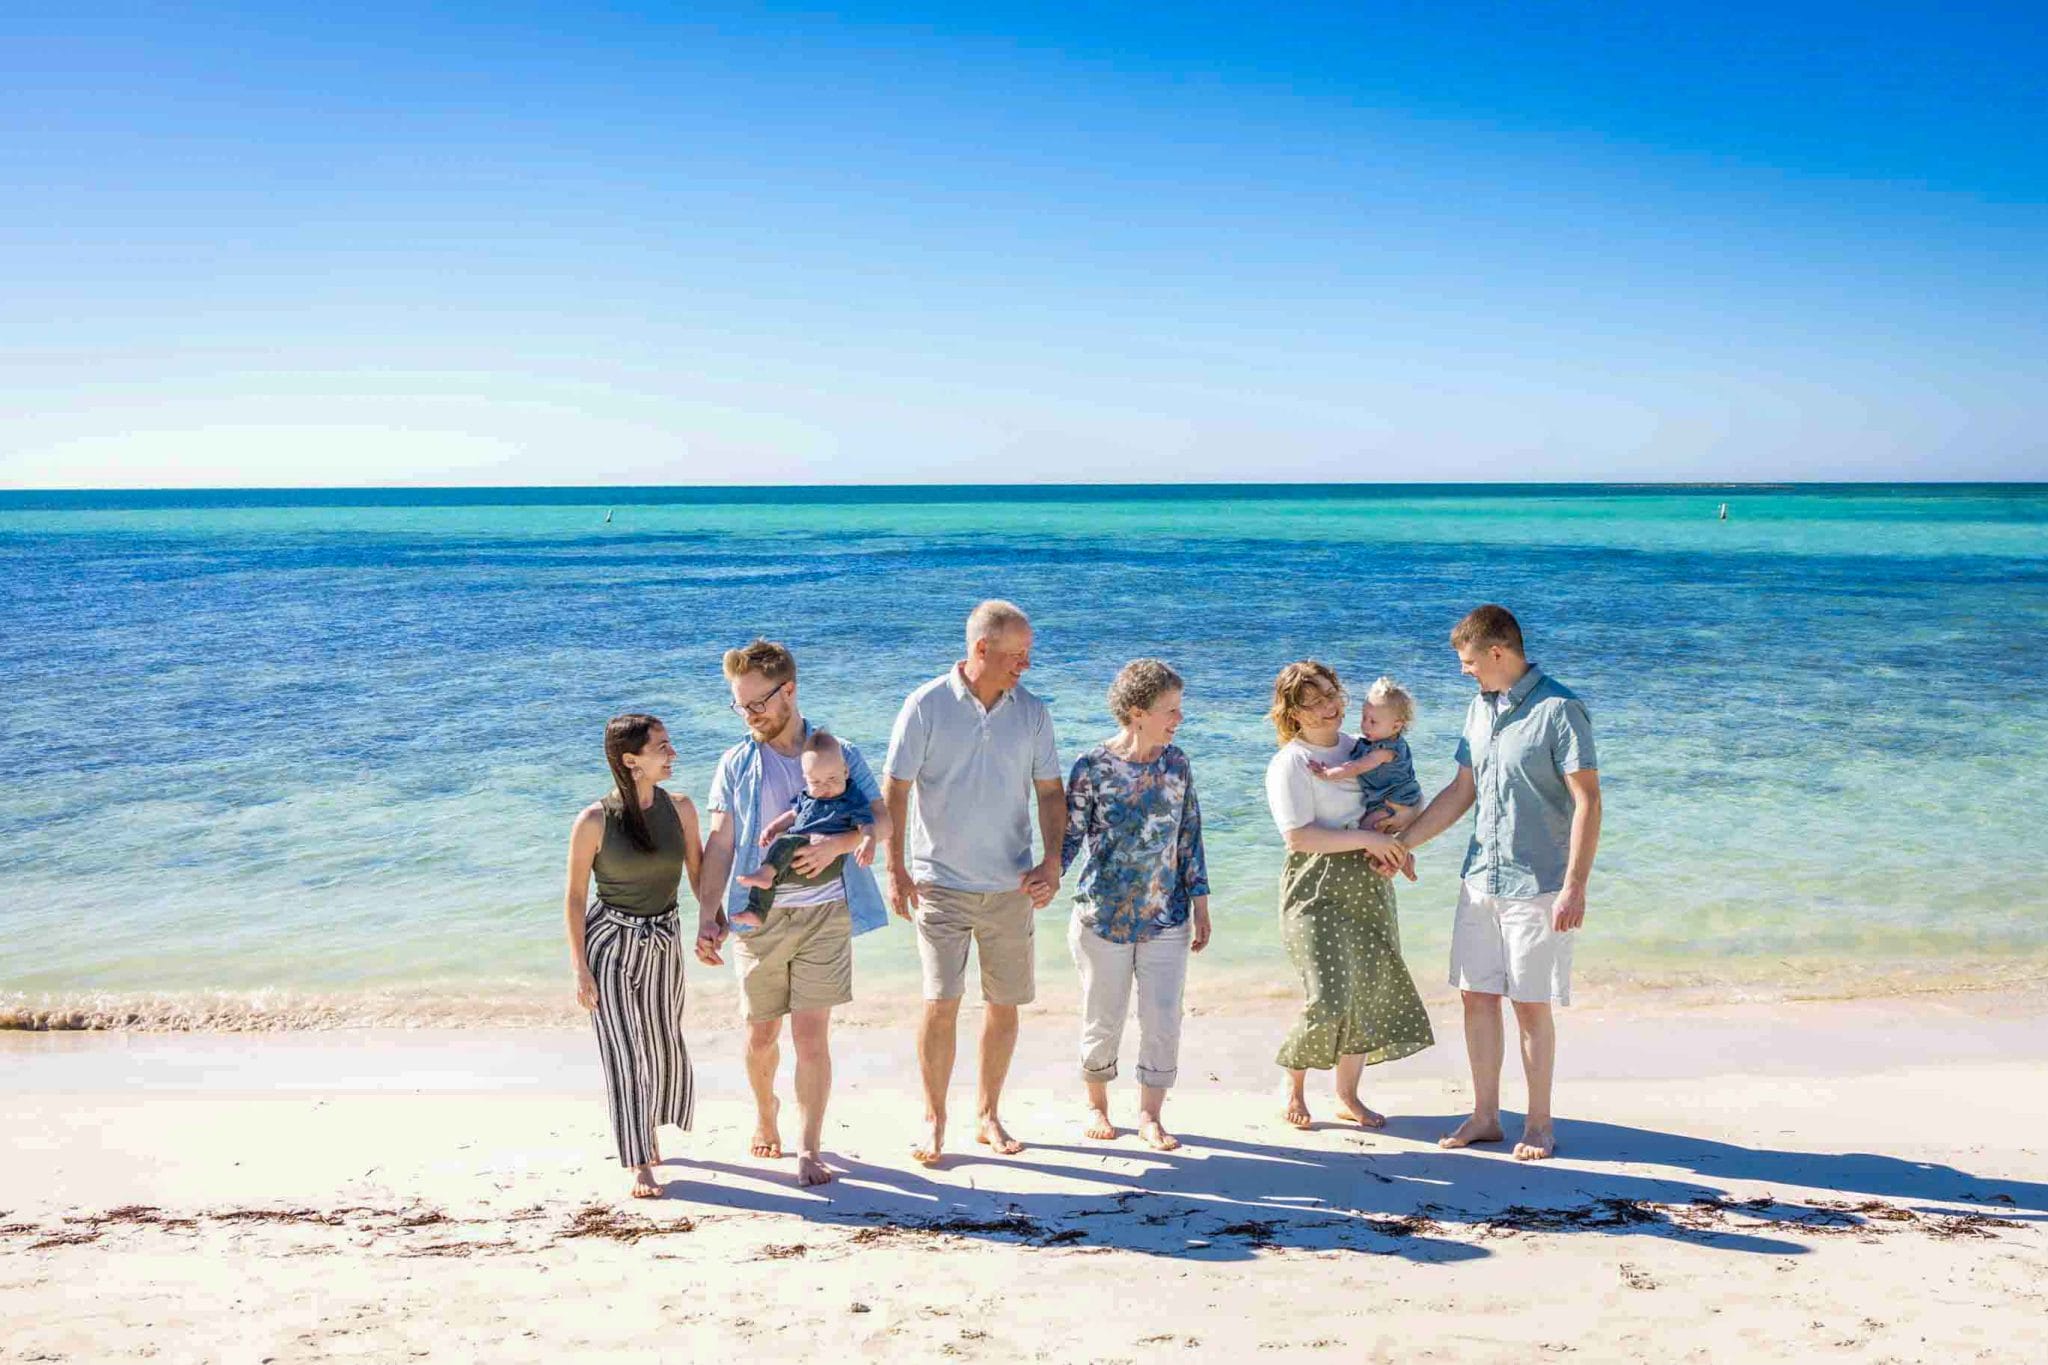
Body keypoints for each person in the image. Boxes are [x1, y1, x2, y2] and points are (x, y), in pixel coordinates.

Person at [1390, 605, 1602, 1161]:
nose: (1464, 671)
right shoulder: (1479, 710)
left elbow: (1588, 800)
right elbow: (1462, 792)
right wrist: (1403, 844)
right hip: (1480, 879)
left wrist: (1575, 885)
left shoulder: (1560, 709)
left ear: (1498, 653)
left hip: (1539, 884)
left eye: (1468, 661)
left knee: (1530, 1004)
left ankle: (1538, 1125)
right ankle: (1485, 1116)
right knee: (1475, 995)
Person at [695, 640, 894, 1188]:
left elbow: (883, 820)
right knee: (762, 1036)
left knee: (812, 1038)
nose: (749, 715)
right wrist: (707, 914)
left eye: (756, 703)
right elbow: (720, 843)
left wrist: (843, 843)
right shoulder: (737, 762)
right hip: (758, 920)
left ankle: (810, 1147)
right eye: (740, 706)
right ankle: (765, 1113)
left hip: (827, 914)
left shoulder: (839, 752)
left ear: (789, 690)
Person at [884, 599, 1064, 1164]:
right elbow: (895, 789)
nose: (1025, 666)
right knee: (941, 1000)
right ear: (981, 648)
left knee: (1004, 1004)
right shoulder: (926, 705)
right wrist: (894, 869)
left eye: (1029, 656)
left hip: (1012, 886)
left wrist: (1052, 862)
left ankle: (987, 1114)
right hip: (940, 885)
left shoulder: (1032, 712)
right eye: (1018, 655)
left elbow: (1051, 793)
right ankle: (934, 1118)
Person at [1264, 661, 1434, 1130]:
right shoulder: (1290, 762)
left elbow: (1404, 798)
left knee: (1363, 993)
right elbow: (1299, 837)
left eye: (1330, 695)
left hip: (1368, 878)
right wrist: (1371, 841)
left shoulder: (1365, 746)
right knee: (1328, 995)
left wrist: (1398, 842)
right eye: (1312, 703)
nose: (1327, 708)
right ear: (1292, 713)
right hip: (1313, 884)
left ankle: (1347, 1095)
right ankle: (1293, 1086)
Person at [1061, 659, 1212, 1152]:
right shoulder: (1093, 766)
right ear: (1136, 712)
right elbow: (1067, 839)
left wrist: (1202, 905)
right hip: (1101, 915)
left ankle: (1150, 1115)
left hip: (1167, 915)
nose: (1179, 719)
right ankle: (1097, 1106)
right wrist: (1035, 882)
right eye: (1170, 710)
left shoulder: (1178, 763)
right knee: (1102, 1016)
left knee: (1163, 1017)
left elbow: (1190, 836)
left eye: (1179, 709)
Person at [562, 713, 705, 1198]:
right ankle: (639, 1160)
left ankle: (651, 1130)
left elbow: (699, 876)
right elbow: (575, 897)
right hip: (611, 945)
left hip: (665, 939)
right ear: (631, 760)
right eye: (662, 747)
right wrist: (580, 968)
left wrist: (715, 921)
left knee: (663, 1042)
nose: (672, 754)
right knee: (626, 1050)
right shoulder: (594, 822)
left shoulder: (681, 809)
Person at [731, 730, 878, 930]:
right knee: (772, 874)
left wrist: (868, 842)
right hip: (801, 863)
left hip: (829, 864)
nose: (825, 787)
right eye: (815, 782)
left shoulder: (851, 798)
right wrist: (772, 828)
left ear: (846, 771)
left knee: (785, 843)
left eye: (832, 779)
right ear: (805, 779)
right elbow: (792, 814)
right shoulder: (807, 797)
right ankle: (757, 912)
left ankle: (765, 874)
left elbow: (866, 824)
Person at [1306, 675, 1424, 831]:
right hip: (1388, 800)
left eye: (1373, 722)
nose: (1365, 726)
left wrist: (1328, 774)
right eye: (1364, 718)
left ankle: (1384, 855)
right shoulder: (1372, 742)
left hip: (1393, 802)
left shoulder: (1385, 751)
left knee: (1368, 830)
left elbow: (1357, 767)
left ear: (1396, 727)